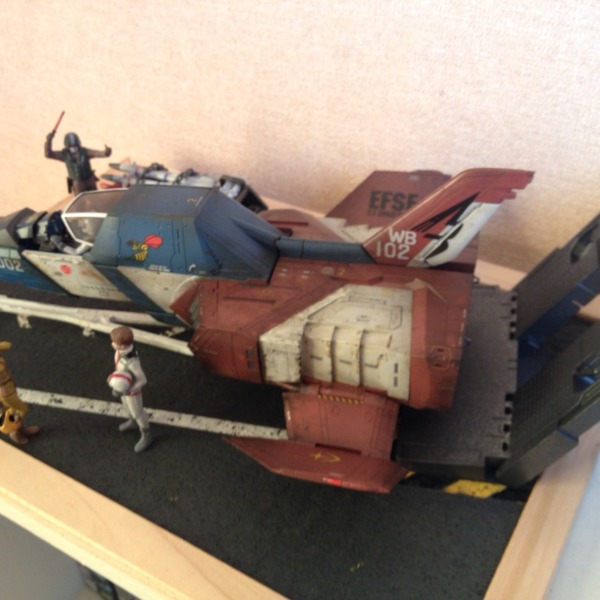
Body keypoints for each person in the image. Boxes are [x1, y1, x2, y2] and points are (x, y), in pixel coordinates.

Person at [108, 326, 153, 453]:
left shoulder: (132, 362)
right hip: (124, 388)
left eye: (114, 342)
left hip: (132, 392)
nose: (112, 344)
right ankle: (133, 422)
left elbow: (143, 380)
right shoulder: (120, 352)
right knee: (127, 407)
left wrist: (129, 389)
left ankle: (147, 434)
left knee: (138, 413)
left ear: (122, 346)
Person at [45, 130, 112, 194]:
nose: (74, 148)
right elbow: (48, 154)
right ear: (67, 147)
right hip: (77, 183)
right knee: (80, 200)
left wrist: (106, 153)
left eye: (75, 146)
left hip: (89, 180)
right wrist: (49, 141)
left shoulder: (84, 151)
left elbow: (95, 153)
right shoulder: (64, 155)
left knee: (95, 197)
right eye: (71, 147)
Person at [0, 341, 40, 445]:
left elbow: (7, 345)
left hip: (8, 388)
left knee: (13, 411)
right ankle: (15, 432)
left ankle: (20, 429)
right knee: (20, 410)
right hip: (6, 393)